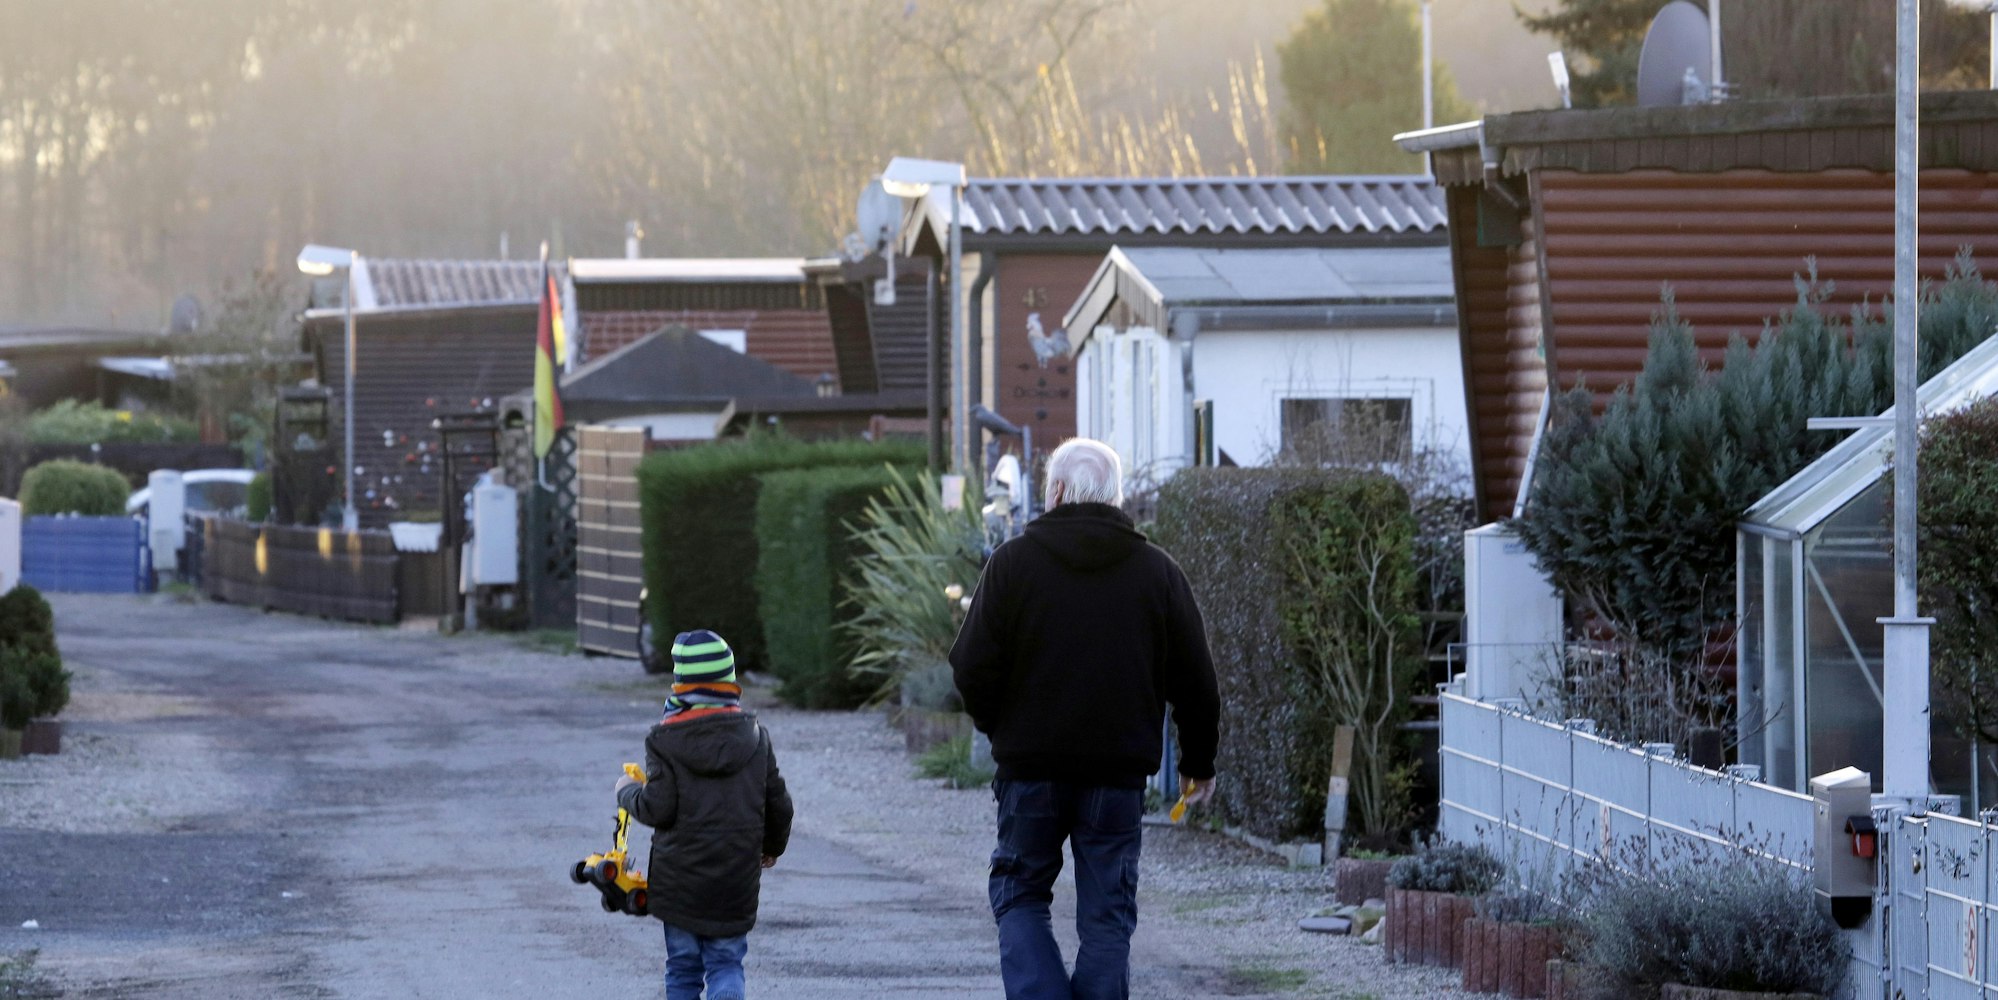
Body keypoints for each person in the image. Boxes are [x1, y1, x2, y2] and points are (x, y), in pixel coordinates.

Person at [950, 437, 1221, 1000]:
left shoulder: (1012, 565)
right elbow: (1197, 682)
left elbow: (970, 666)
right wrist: (1198, 763)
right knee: (1107, 916)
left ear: (1054, 492)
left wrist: (1002, 730)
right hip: (1116, 778)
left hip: (1029, 770)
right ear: (1116, 497)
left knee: (1021, 895)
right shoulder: (1157, 573)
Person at [616, 629, 793, 1000]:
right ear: (730, 681)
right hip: (735, 877)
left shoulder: (664, 740)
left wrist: (626, 791)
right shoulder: (755, 737)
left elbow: (657, 807)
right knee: (726, 963)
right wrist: (772, 846)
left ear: (680, 685)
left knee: (683, 969)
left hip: (679, 883)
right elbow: (778, 803)